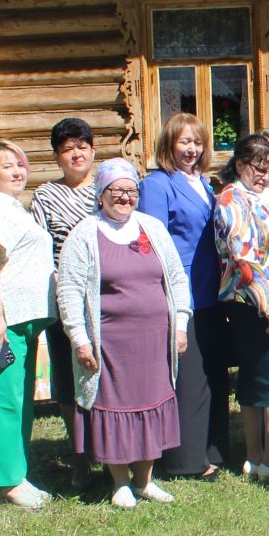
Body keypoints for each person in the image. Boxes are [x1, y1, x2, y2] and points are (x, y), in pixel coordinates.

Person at [57, 158, 192, 507]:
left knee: (151, 402)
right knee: (114, 406)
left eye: (131, 191)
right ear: (101, 194)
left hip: (154, 339)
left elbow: (176, 279)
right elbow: (69, 290)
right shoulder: (84, 233)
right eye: (117, 191)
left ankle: (145, 480)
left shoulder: (151, 228)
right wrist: (80, 339)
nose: (125, 198)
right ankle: (119, 483)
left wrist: (180, 324)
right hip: (111, 343)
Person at [0, 140, 57, 507]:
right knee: (5, 401)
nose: (18, 171)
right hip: (2, 322)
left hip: (22, 320)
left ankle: (17, 474)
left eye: (21, 164)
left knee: (21, 400)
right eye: (7, 166)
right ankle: (4, 482)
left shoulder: (14, 208)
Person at [138, 112, 225, 480]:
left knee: (210, 373)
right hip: (181, 290)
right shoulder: (158, 184)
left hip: (211, 291)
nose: (191, 149)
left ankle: (213, 448)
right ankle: (184, 460)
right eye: (183, 142)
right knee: (188, 378)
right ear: (169, 144)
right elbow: (152, 240)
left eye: (197, 142)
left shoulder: (204, 183)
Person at [216, 132, 269, 482]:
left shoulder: (247, 196)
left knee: (254, 381)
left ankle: (254, 457)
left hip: (255, 303)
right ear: (240, 165)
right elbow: (243, 259)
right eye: (258, 168)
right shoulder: (233, 199)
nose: (265, 176)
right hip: (259, 304)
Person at [31, 117, 96, 463]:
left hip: (107, 296)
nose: (76, 154)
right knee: (68, 375)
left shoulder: (108, 188)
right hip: (66, 298)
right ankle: (79, 454)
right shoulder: (45, 195)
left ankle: (111, 446)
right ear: (57, 157)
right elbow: (41, 249)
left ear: (92, 150)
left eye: (81, 146)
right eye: (67, 149)